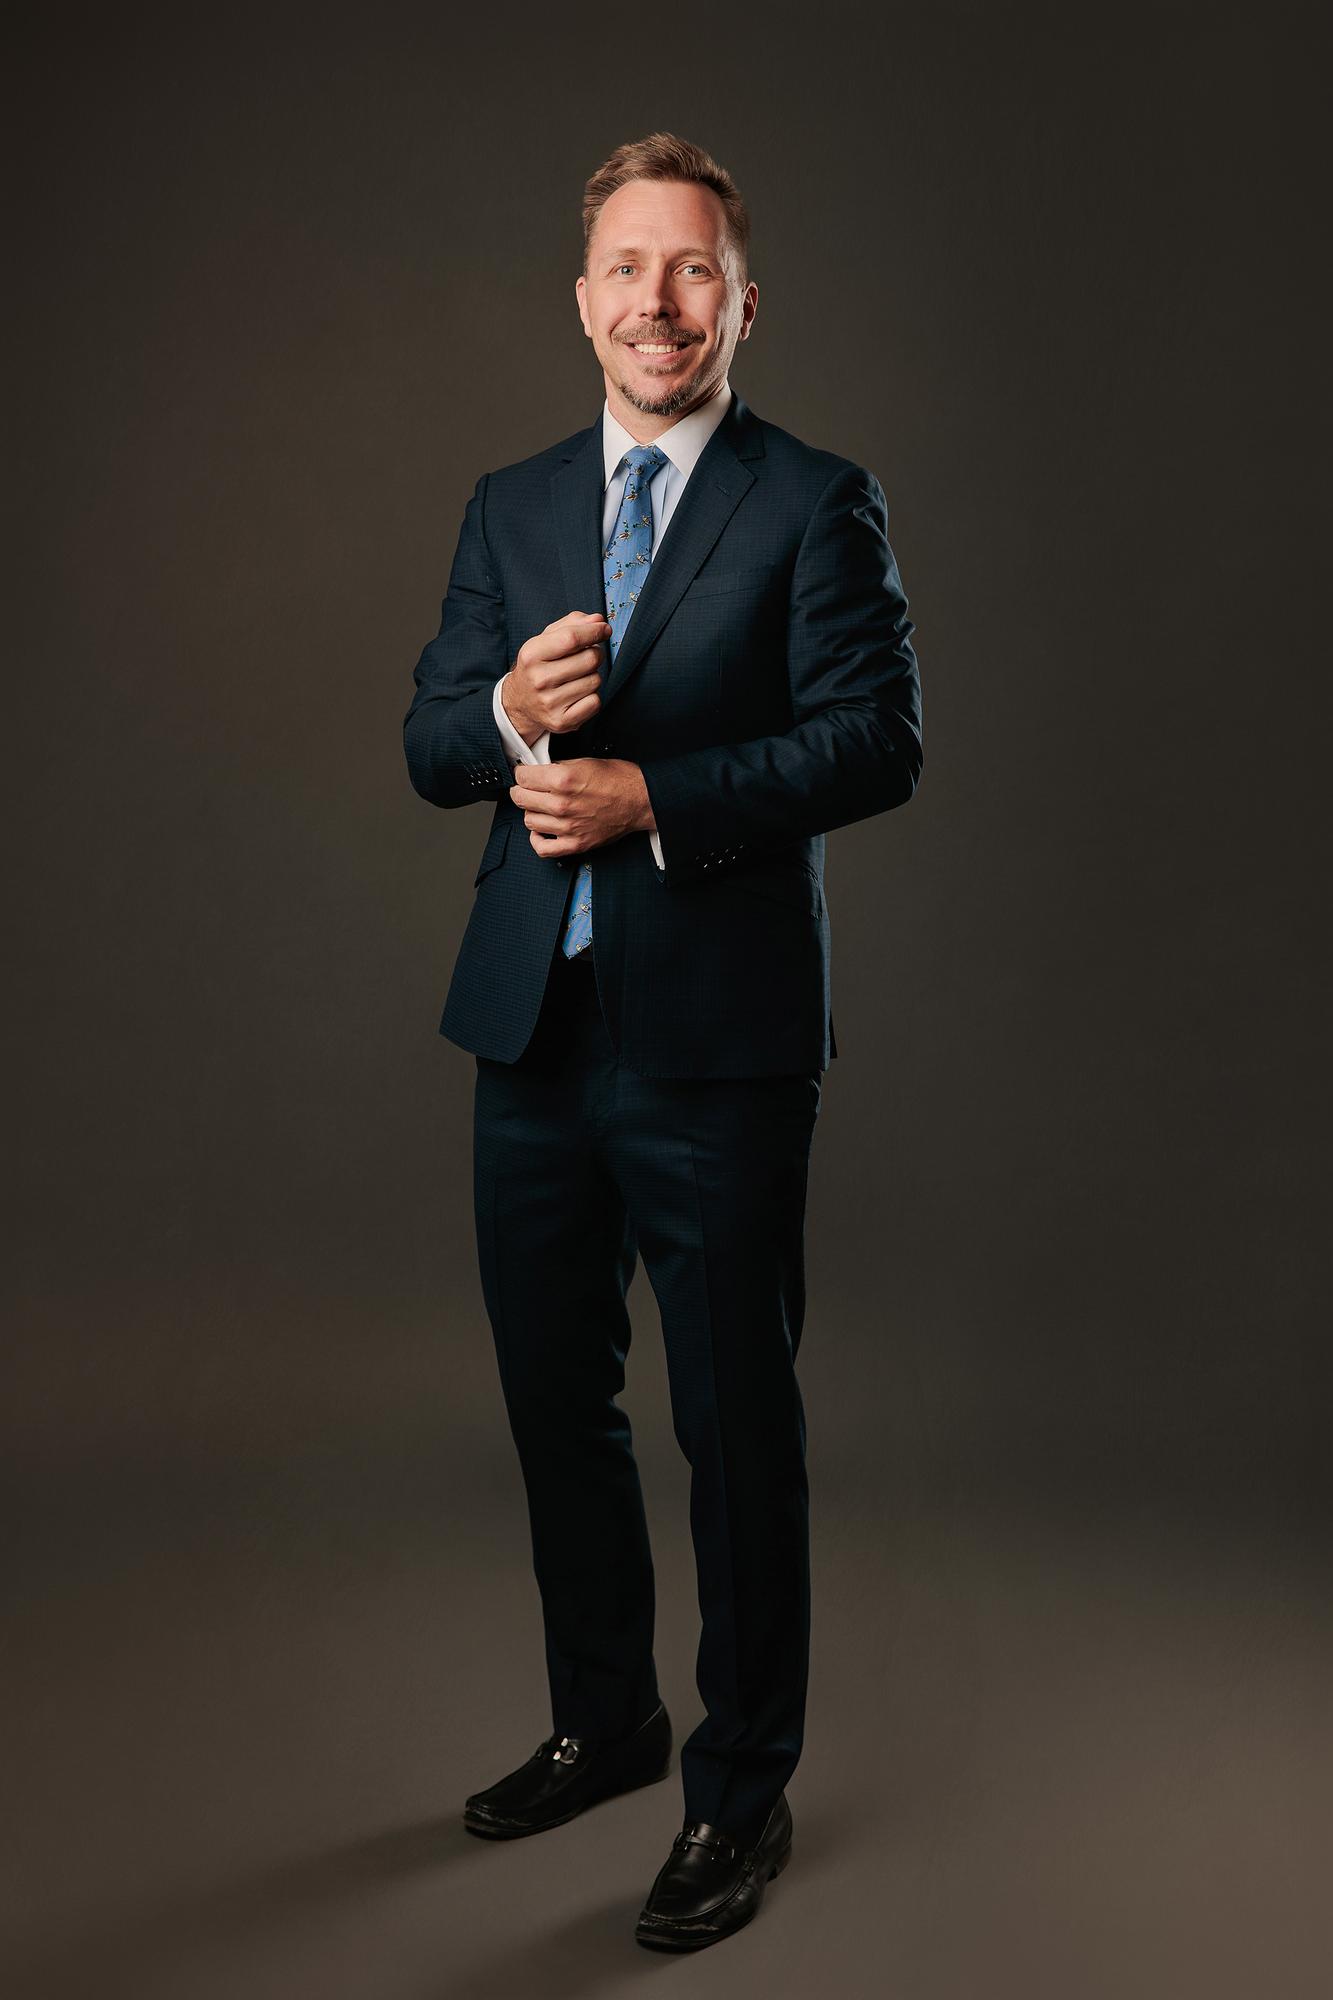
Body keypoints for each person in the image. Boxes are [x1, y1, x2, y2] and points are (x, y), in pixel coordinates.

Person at [403, 130, 922, 1952]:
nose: (656, 301)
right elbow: (424, 740)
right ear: (581, 300)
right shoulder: (510, 502)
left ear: (742, 303)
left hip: (715, 1043)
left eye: (692, 269)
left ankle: (740, 1794)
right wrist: (495, 709)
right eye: (627, 268)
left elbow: (878, 741)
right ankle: (605, 1721)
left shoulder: (813, 500)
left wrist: (656, 797)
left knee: (733, 1422)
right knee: (558, 1406)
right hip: (529, 1027)